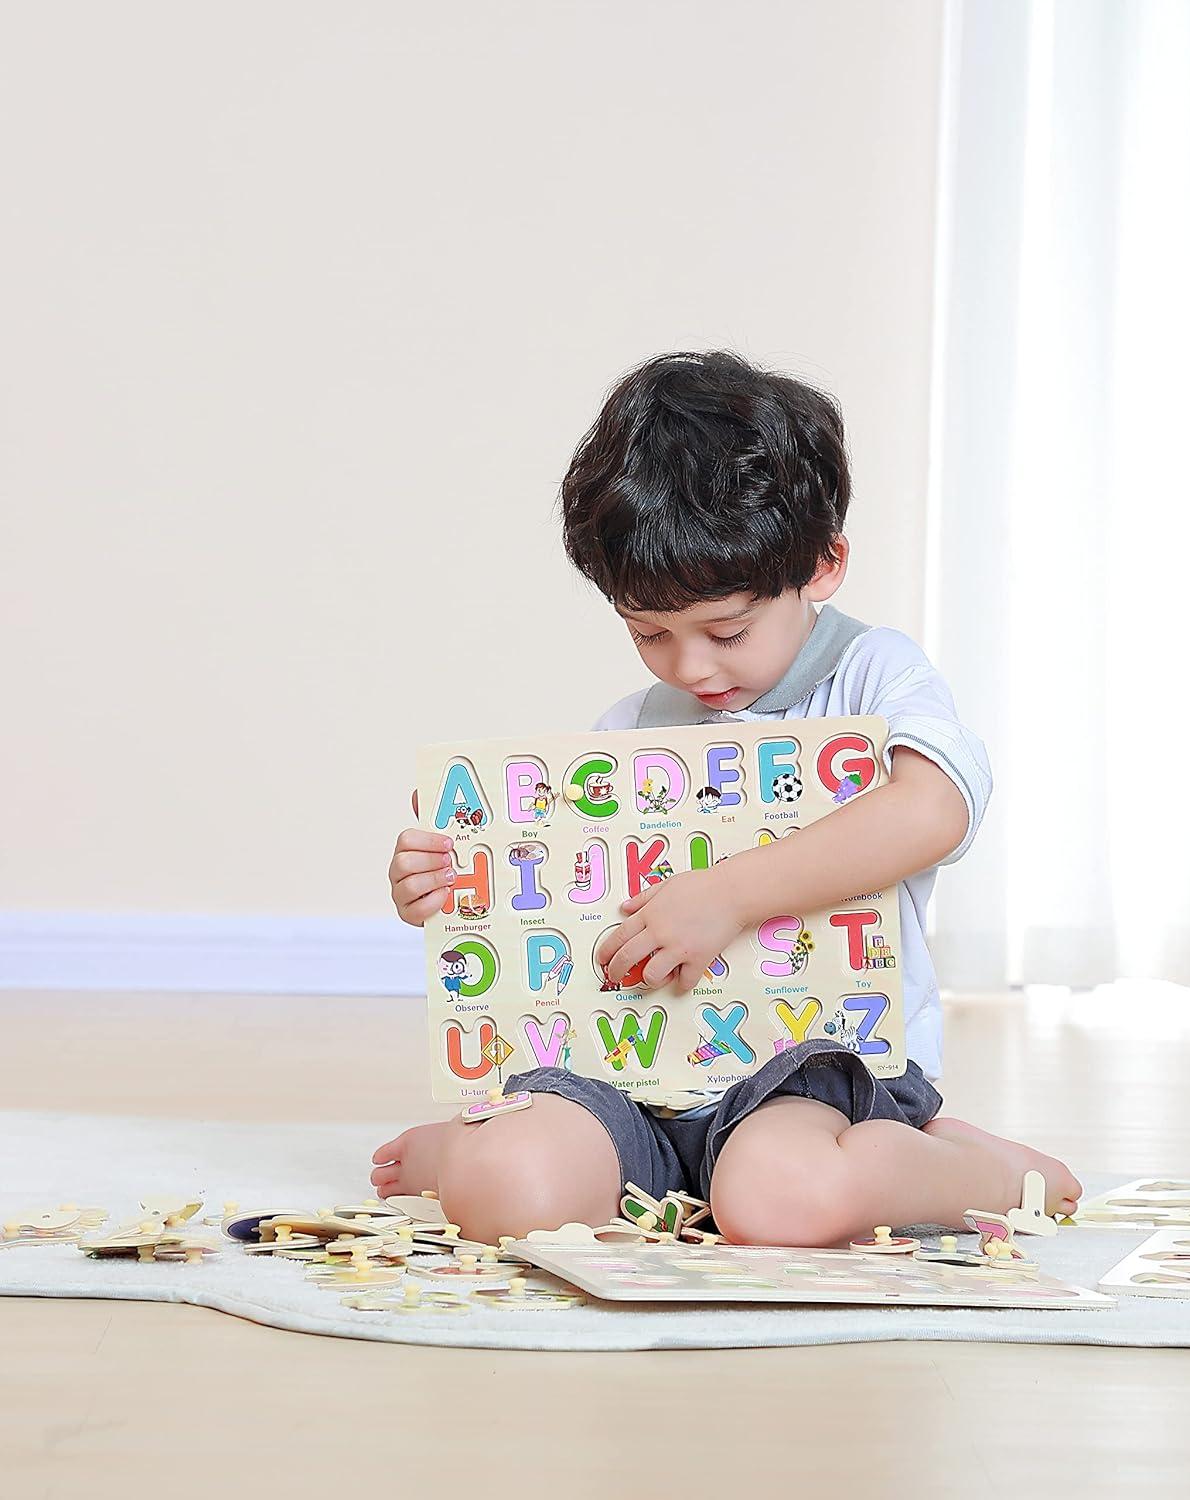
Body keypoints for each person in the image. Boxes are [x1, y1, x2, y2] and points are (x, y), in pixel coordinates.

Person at [373, 351, 1080, 1246]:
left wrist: (728, 894)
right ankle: (495, 1155)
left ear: (822, 567)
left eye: (728, 630)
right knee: (509, 1190)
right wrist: (445, 886)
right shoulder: (628, 730)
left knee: (780, 1202)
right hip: (628, 1075)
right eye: (650, 634)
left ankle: (978, 1170)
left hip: (815, 1068)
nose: (693, 667)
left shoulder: (874, 675)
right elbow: (554, 904)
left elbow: (931, 809)